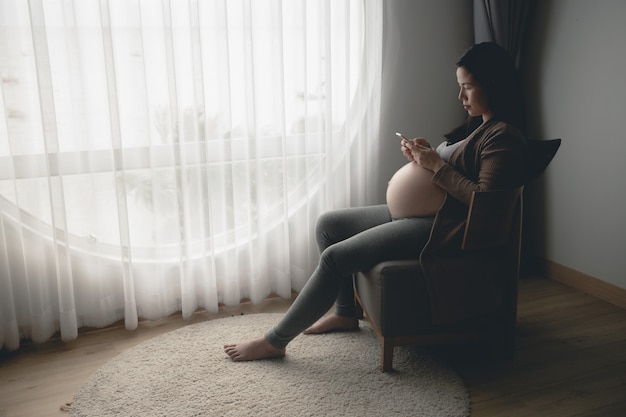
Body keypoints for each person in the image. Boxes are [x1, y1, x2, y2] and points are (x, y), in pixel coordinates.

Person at [224, 42, 527, 362]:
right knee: (330, 224)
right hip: (427, 213)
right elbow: (457, 172)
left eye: (467, 87)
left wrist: (436, 165)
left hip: (446, 227)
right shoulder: (479, 127)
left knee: (335, 258)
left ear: (492, 84)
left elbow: (486, 203)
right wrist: (425, 156)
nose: (460, 97)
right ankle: (344, 313)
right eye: (459, 87)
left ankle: (276, 340)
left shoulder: (504, 137)